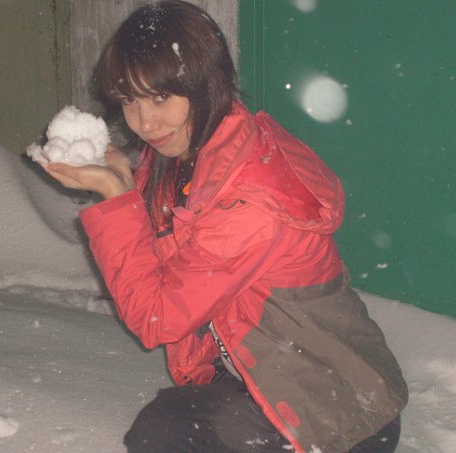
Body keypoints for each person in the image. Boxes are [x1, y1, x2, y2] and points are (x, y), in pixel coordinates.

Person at [43, 1, 408, 451]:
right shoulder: (190, 153)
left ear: (205, 82)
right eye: (130, 100)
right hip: (269, 380)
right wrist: (124, 181)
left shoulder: (246, 199)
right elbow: (164, 259)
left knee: (161, 435)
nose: (144, 122)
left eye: (160, 98)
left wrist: (117, 199)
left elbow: (158, 317)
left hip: (338, 413)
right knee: (165, 427)